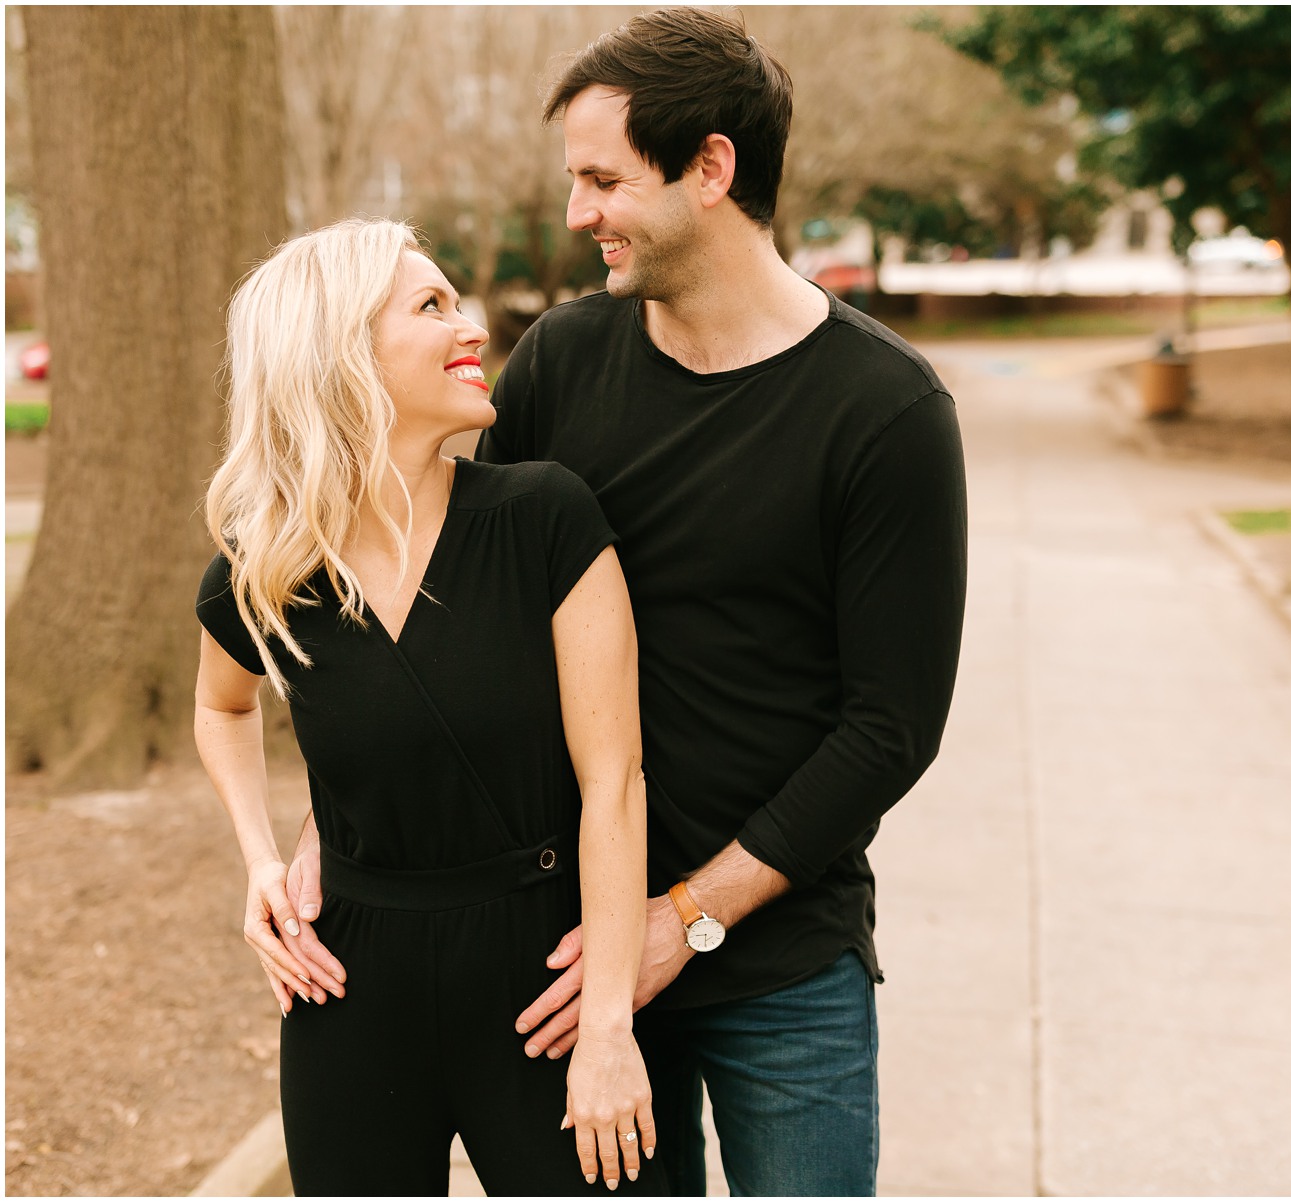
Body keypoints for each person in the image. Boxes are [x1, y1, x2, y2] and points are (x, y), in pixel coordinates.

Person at [287, 7, 967, 1195]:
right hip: (562, 953)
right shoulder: (560, 361)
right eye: (574, 179)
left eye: (603, 178)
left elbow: (889, 729)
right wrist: (326, 825)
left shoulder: (887, 413)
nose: (575, 213)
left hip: (781, 967)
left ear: (712, 168)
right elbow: (436, 603)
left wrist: (687, 916)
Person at [193, 217, 660, 1196]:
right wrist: (261, 861)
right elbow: (222, 708)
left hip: (545, 983)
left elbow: (613, 781)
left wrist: (610, 1022)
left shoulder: (544, 516)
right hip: (348, 986)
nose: (474, 326)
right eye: (432, 305)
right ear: (341, 352)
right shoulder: (268, 566)